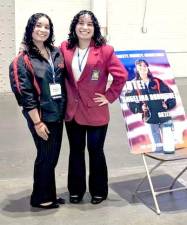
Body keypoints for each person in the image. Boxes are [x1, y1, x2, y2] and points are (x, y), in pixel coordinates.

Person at [60, 10, 128, 204]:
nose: (85, 27)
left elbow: (121, 75)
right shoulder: (65, 48)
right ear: (75, 26)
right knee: (76, 150)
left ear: (94, 28)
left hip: (96, 111)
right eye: (81, 23)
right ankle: (76, 190)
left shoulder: (105, 50)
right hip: (72, 111)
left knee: (96, 151)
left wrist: (109, 96)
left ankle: (99, 190)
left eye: (89, 24)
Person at [9, 13, 66, 209]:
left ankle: (48, 192)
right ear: (30, 28)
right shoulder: (22, 59)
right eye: (38, 26)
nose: (42, 30)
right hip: (40, 116)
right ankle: (40, 198)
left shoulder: (55, 52)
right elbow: (25, 94)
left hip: (58, 112)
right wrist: (37, 122)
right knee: (45, 156)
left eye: (46, 27)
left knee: (52, 155)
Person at [126, 59, 176, 153]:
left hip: (164, 115)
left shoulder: (157, 81)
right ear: (136, 69)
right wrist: (140, 108)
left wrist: (168, 104)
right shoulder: (133, 84)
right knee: (158, 149)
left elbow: (171, 94)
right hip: (149, 118)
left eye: (144, 66)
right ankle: (160, 161)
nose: (143, 68)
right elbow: (130, 101)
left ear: (148, 67)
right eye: (140, 66)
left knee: (170, 148)